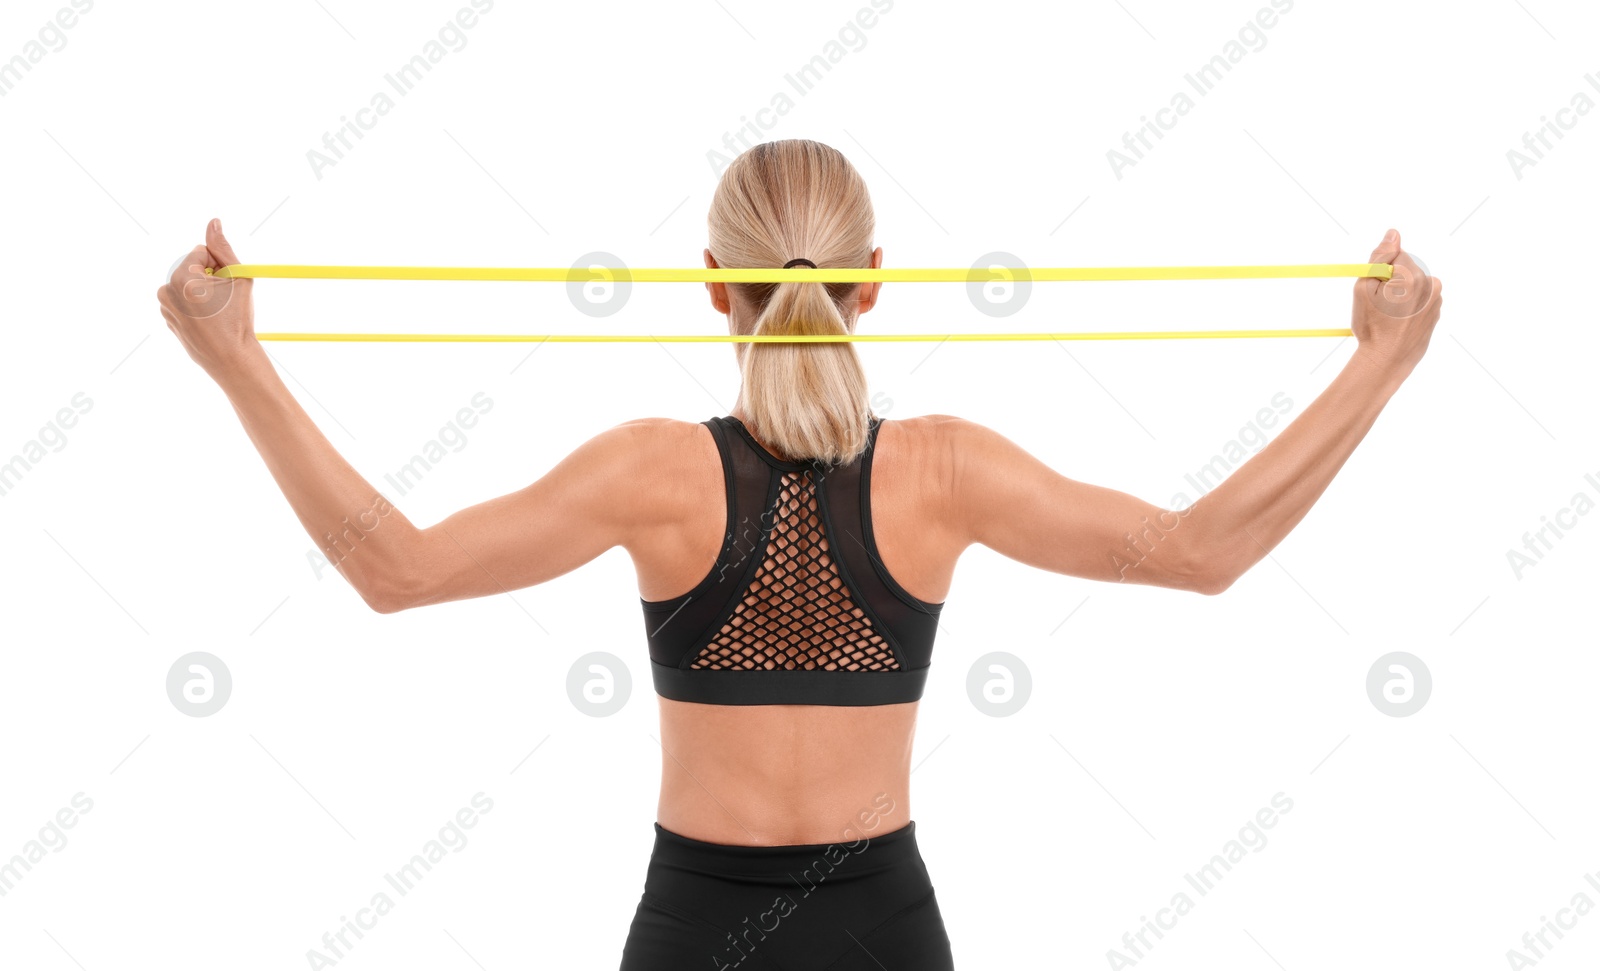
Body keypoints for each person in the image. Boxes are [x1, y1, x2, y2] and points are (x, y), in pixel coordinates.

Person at [154, 138, 1443, 969]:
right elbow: (1208, 551)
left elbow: (402, 571)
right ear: (874, 279)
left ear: (711, 281)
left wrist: (236, 363)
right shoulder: (947, 470)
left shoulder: (652, 471)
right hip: (884, 928)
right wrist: (1380, 367)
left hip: (694, 930)